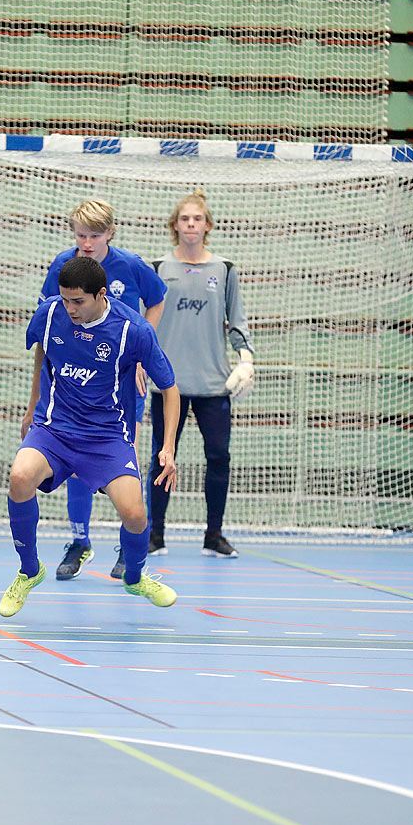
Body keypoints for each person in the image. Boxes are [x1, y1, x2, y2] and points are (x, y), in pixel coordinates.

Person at [0, 256, 180, 618]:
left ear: (101, 294)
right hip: (54, 429)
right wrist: (33, 404)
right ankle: (29, 571)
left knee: (134, 514)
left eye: (78, 301)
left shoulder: (134, 330)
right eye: (65, 300)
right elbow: (42, 350)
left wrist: (169, 447)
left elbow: (171, 388)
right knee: (19, 477)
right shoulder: (50, 313)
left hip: (107, 437)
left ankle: (135, 577)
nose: (70, 308)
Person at [31, 199, 166, 581]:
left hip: (122, 381)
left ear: (111, 233)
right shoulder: (63, 265)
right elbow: (47, 327)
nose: (86, 243)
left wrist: (141, 355)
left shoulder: (132, 265)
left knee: (125, 464)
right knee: (76, 460)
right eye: (80, 235)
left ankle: (128, 544)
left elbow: (156, 301)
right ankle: (79, 541)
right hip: (77, 381)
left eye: (94, 235)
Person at [147, 191, 254, 558]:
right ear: (175, 225)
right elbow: (144, 322)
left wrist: (246, 359)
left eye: (197, 219)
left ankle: (214, 534)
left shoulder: (224, 269)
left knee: (219, 457)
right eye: (184, 218)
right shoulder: (158, 267)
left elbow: (236, 321)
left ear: (207, 225)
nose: (191, 224)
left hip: (213, 384)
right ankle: (155, 534)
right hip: (168, 384)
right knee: (162, 457)